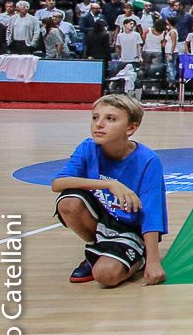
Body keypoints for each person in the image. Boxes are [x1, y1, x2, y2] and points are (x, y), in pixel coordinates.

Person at [50, 93, 168, 286]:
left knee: (105, 275)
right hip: (104, 218)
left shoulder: (148, 160)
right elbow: (58, 183)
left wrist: (154, 262)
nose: (99, 124)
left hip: (131, 228)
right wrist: (110, 184)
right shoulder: (88, 148)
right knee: (69, 202)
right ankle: (97, 248)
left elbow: (152, 213)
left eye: (110, 119)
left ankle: (138, 257)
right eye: (95, 117)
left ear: (131, 128)